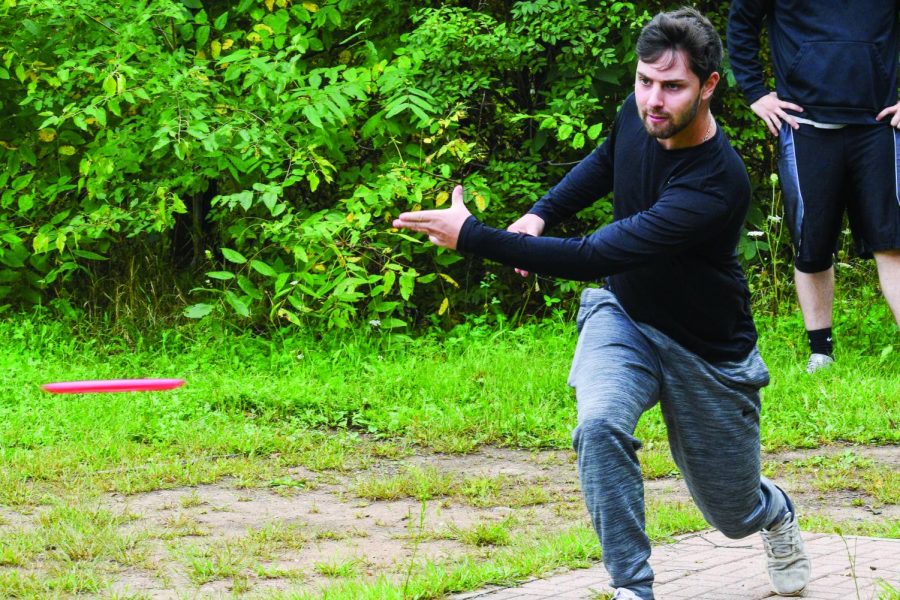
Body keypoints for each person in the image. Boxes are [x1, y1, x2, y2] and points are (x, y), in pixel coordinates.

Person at [393, 7, 811, 600]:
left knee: (732, 512)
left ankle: (775, 515)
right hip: (625, 318)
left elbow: (595, 255)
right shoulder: (640, 115)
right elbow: (606, 161)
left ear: (709, 86)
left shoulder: (716, 184)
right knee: (598, 425)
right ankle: (632, 588)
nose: (653, 101)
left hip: (706, 351)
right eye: (645, 82)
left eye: (673, 86)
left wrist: (475, 237)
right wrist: (541, 213)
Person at [727, 1, 900, 374]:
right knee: (812, 244)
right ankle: (821, 352)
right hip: (805, 125)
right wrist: (755, 92)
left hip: (879, 126)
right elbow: (741, 19)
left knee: (893, 243)